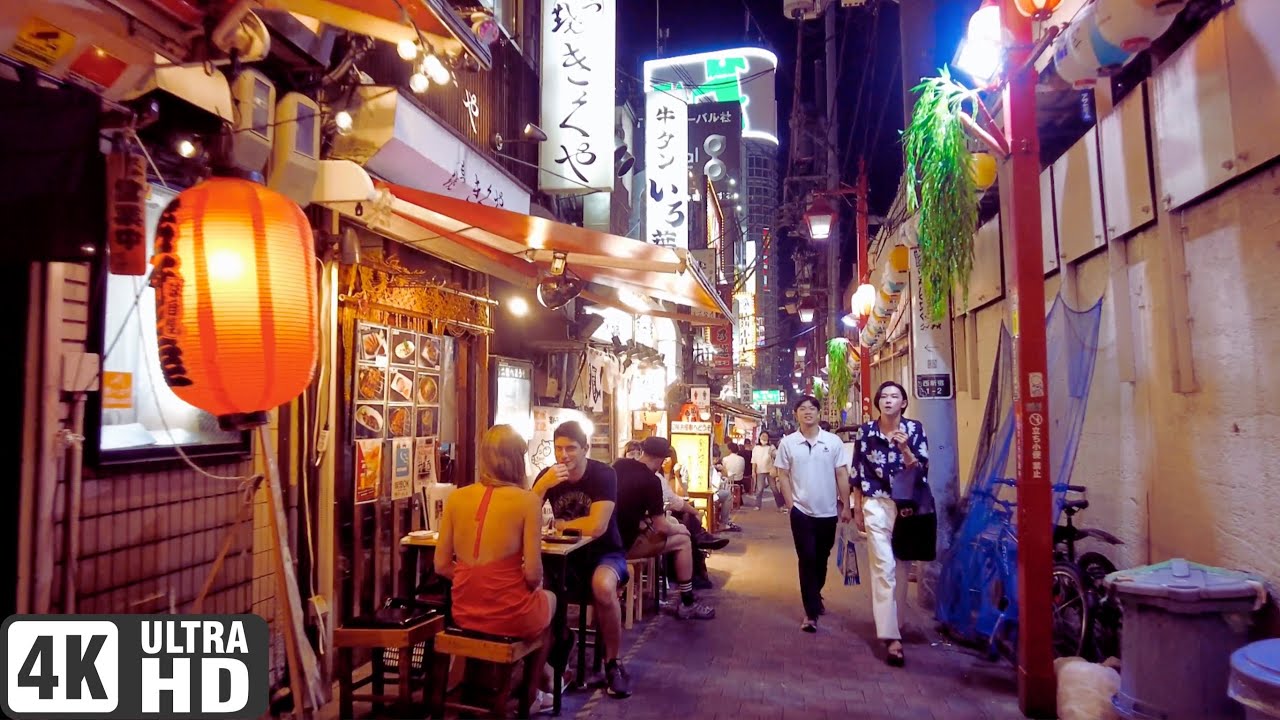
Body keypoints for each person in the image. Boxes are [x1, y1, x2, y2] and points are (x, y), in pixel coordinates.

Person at [435, 425, 556, 710]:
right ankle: (531, 695)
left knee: (530, 605)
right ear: (517, 460)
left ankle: (480, 688)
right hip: (510, 613)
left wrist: (474, 577)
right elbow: (533, 575)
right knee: (550, 600)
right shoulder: (528, 501)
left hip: (464, 612)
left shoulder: (457, 497)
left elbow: (441, 565)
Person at [531, 421, 632, 699]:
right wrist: (540, 488)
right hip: (564, 557)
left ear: (585, 448)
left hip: (606, 553)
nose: (563, 455)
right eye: (558, 448)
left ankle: (613, 663)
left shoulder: (603, 474)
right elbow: (525, 518)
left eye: (571, 448)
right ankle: (557, 647)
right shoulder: (548, 477)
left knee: (602, 586)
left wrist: (562, 525)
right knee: (534, 587)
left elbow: (597, 526)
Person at [851, 381, 929, 667]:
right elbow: (857, 471)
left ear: (903, 403)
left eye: (894, 396)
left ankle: (895, 623)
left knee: (901, 567)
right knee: (883, 567)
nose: (888, 400)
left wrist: (905, 449)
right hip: (876, 504)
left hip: (906, 507)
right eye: (883, 396)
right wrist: (857, 508)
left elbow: (921, 470)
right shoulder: (866, 432)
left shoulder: (915, 430)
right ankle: (891, 636)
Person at [613, 436, 716, 619]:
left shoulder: (619, 465)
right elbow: (661, 526)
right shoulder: (652, 480)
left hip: (606, 541)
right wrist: (681, 529)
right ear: (662, 458)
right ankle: (687, 602)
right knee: (683, 540)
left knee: (676, 530)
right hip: (625, 546)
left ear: (643, 451)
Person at [773, 395, 852, 633]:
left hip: (828, 511)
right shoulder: (788, 443)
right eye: (802, 408)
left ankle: (815, 594)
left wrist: (846, 505)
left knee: (821, 558)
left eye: (812, 408)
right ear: (796, 413)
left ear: (819, 413)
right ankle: (810, 613)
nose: (807, 412)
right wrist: (791, 505)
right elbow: (782, 475)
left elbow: (841, 474)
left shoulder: (833, 442)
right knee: (806, 558)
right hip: (801, 511)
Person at [751, 432, 783, 511]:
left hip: (770, 470)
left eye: (766, 436)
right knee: (759, 489)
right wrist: (753, 471)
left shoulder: (771, 447)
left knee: (774, 488)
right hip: (760, 471)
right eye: (763, 436)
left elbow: (776, 456)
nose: (764, 438)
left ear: (768, 438)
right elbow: (754, 461)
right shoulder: (756, 448)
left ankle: (780, 506)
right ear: (759, 437)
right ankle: (757, 505)